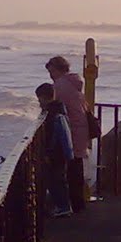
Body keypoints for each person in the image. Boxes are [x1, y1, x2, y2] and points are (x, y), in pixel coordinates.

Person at [45, 55, 90, 211]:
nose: (51, 75)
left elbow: (54, 106)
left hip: (72, 129)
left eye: (52, 71)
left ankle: (70, 204)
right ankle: (78, 203)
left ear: (59, 70)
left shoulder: (60, 86)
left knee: (69, 168)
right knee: (76, 166)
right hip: (81, 127)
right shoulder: (73, 82)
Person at [35, 83, 75, 218]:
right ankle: (62, 206)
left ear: (44, 98)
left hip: (55, 154)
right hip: (58, 153)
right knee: (56, 180)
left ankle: (63, 207)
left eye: (39, 99)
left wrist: (48, 152)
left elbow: (56, 136)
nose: (39, 103)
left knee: (56, 180)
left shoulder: (54, 115)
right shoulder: (58, 111)